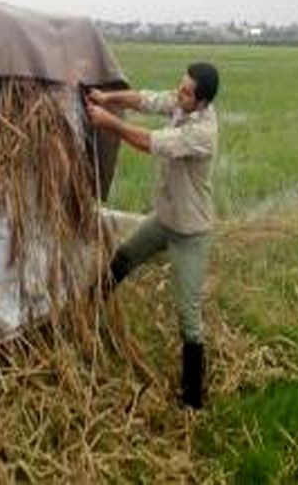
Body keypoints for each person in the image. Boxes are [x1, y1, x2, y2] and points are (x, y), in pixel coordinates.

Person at [85, 62, 220, 410]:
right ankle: (85, 314)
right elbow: (146, 100)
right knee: (125, 256)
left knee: (188, 316)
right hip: (165, 218)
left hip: (190, 233)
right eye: (181, 86)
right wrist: (107, 96)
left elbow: (150, 142)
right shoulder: (181, 105)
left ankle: (193, 401)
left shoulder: (202, 133)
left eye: (187, 92)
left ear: (202, 102)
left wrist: (109, 122)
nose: (179, 93)